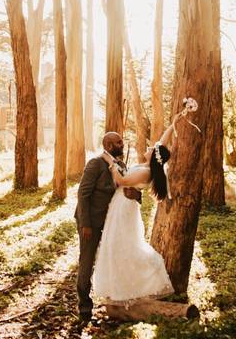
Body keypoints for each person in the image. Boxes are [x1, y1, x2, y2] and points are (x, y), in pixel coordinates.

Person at [91, 107, 192, 306]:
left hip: (124, 209)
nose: (148, 147)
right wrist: (173, 123)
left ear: (154, 156)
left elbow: (121, 180)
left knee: (122, 245)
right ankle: (115, 287)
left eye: (151, 148)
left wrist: (109, 160)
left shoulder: (146, 173)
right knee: (114, 243)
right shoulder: (150, 166)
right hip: (120, 205)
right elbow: (162, 143)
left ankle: (131, 286)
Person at [74, 132, 141, 323]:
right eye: (119, 142)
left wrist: (136, 195)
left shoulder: (121, 166)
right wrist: (85, 223)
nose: (123, 144)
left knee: (114, 259)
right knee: (86, 263)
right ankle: (85, 308)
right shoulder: (96, 163)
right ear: (110, 146)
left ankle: (116, 302)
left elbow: (125, 190)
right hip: (90, 224)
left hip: (112, 224)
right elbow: (83, 194)